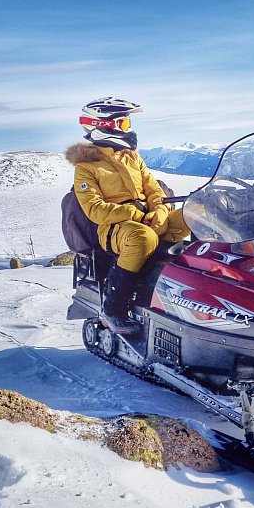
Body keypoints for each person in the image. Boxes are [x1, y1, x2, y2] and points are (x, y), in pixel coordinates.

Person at [65, 97, 190, 335]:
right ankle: (114, 307)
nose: (128, 129)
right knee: (143, 238)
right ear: (101, 125)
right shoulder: (86, 167)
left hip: (149, 218)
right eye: (123, 124)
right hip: (115, 229)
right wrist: (135, 213)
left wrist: (160, 211)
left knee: (197, 215)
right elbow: (94, 209)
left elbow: (155, 190)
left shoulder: (132, 157)